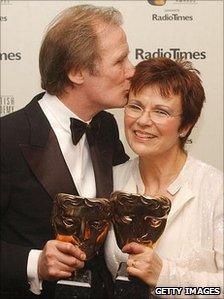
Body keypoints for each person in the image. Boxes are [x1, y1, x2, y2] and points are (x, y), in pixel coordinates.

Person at [1, 4, 134, 299]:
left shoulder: (105, 128)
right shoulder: (7, 138)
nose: (132, 71)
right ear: (76, 72)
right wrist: (33, 261)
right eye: (120, 61)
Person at [105, 57, 223, 298]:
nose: (143, 121)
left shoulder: (215, 190)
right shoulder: (109, 181)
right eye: (136, 106)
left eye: (161, 111)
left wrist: (166, 278)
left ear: (185, 126)